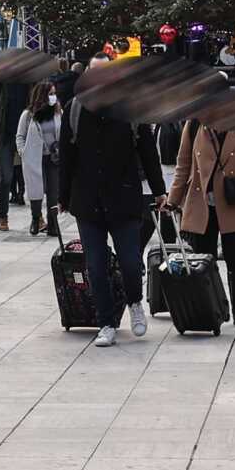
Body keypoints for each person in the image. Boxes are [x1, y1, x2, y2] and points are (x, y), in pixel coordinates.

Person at [57, 63, 164, 347]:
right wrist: (62, 196)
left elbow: (147, 151)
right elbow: (66, 155)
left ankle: (135, 303)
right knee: (95, 264)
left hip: (124, 196)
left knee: (130, 261)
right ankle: (106, 322)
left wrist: (159, 190)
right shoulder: (75, 109)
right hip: (87, 198)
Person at [164, 105, 235, 328]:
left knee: (234, 259)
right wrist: (173, 199)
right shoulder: (193, 125)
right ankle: (213, 307)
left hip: (232, 202)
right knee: (205, 260)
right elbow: (183, 165)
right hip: (201, 202)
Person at [0, 67, 29, 231]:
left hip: (25, 133)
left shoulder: (28, 81)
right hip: (5, 135)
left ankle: (37, 217)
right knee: (6, 177)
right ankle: (2, 216)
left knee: (33, 176)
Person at [17, 80, 56, 236]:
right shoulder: (28, 115)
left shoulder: (58, 113)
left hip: (53, 157)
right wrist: (22, 151)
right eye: (51, 94)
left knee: (53, 192)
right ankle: (36, 218)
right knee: (36, 190)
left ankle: (53, 223)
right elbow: (20, 135)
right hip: (34, 157)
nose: (54, 97)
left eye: (54, 94)